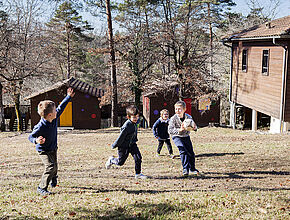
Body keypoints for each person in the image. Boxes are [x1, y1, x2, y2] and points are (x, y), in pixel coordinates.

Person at [28, 88, 75, 195]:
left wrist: (68, 97)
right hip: (43, 150)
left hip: (53, 148)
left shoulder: (54, 118)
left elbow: (61, 107)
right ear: (50, 115)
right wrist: (36, 140)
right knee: (50, 166)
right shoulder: (40, 127)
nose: (56, 111)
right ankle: (41, 188)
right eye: (54, 111)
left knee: (55, 167)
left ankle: (54, 177)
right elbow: (30, 137)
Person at [105, 105, 147, 179]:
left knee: (138, 158)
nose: (136, 118)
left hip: (132, 144)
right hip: (123, 146)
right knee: (120, 162)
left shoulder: (137, 122)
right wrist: (114, 145)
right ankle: (111, 160)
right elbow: (121, 137)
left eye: (137, 116)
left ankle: (138, 174)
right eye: (134, 117)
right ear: (128, 117)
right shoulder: (126, 126)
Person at [168, 100, 199, 176]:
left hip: (185, 136)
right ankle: (185, 169)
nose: (177, 111)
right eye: (176, 109)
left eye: (179, 109)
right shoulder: (173, 119)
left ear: (184, 109)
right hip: (177, 136)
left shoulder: (189, 117)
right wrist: (180, 130)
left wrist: (194, 128)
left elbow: (194, 127)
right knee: (182, 150)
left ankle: (192, 168)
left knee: (190, 152)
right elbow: (170, 130)